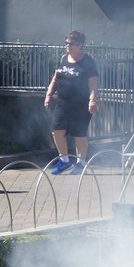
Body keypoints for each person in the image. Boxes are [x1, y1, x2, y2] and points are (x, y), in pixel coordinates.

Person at [44, 31, 99, 175]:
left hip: (80, 104)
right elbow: (55, 79)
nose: (68, 46)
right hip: (62, 103)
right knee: (56, 130)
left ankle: (81, 164)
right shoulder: (63, 58)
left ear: (80, 45)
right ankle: (64, 161)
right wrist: (48, 95)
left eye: (71, 44)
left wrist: (92, 100)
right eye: (66, 43)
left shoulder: (87, 61)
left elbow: (93, 83)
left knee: (79, 135)